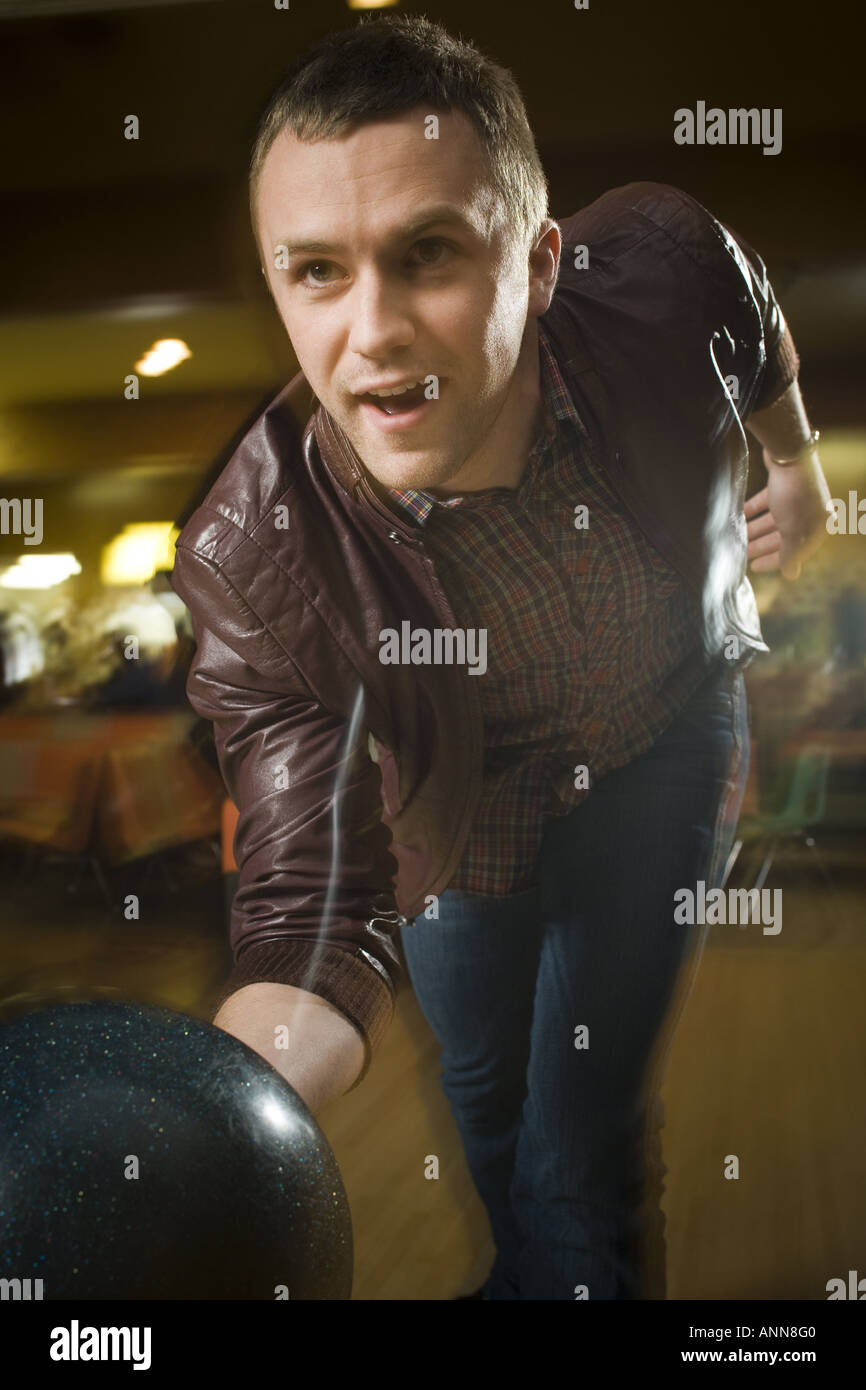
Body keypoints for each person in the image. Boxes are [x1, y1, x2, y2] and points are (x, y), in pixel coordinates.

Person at [169, 16, 832, 1299]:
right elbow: (308, 896)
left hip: (664, 739)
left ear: (536, 263)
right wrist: (203, 1123)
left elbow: (757, 329)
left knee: (571, 1145)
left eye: (427, 255)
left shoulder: (658, 258)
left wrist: (797, 467)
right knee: (483, 1096)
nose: (371, 331)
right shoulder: (253, 553)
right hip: (458, 816)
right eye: (314, 271)